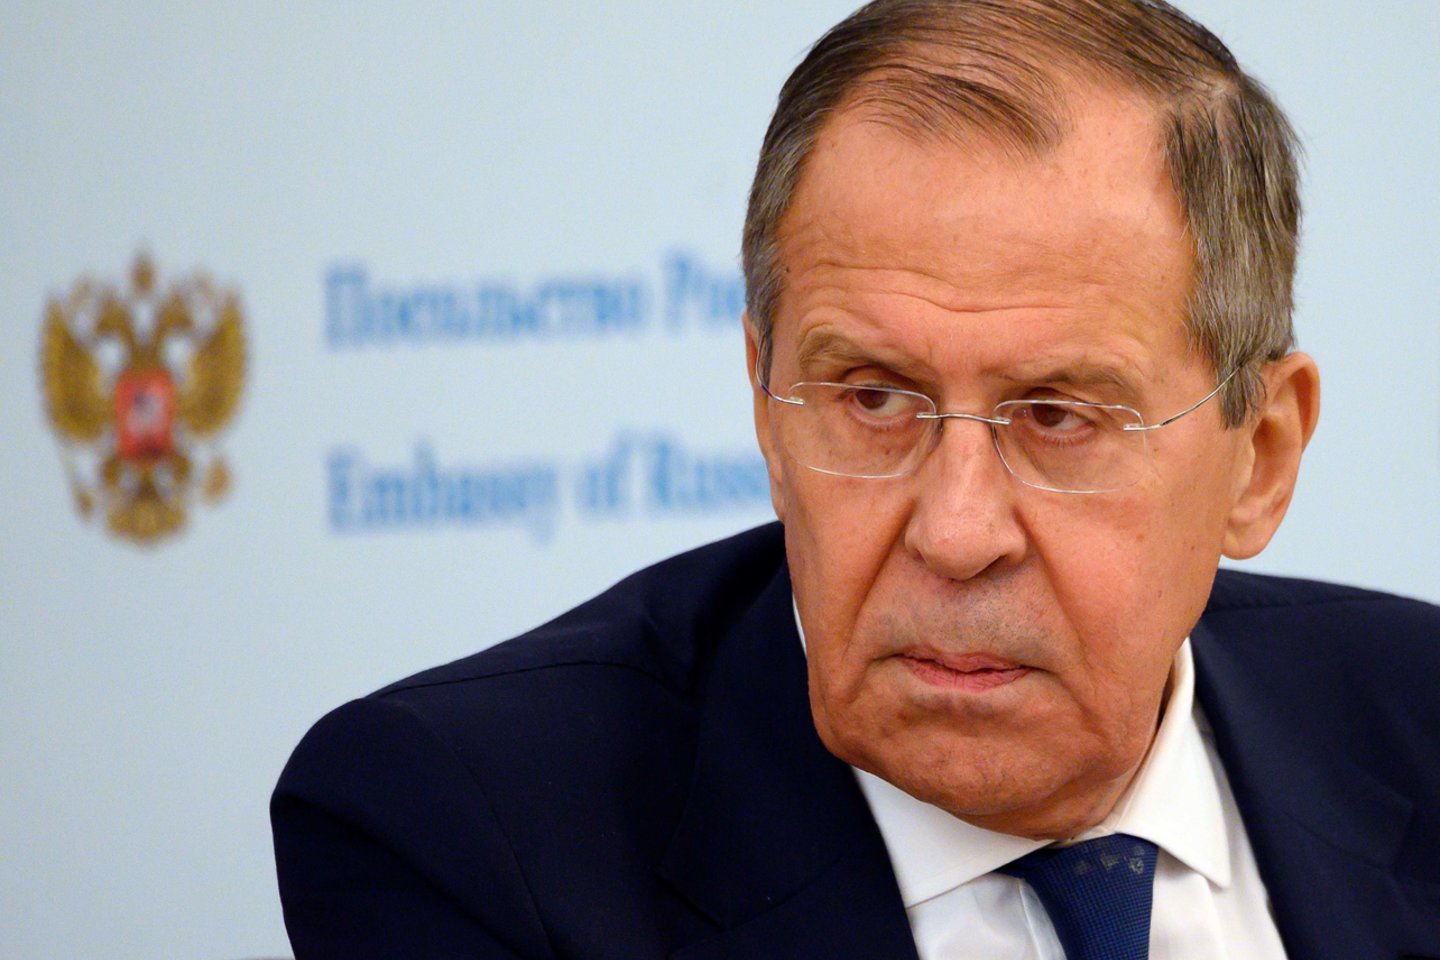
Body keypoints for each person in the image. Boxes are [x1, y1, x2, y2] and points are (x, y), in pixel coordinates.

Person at [271, 1, 1440, 957]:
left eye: (1058, 416)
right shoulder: (472, 836)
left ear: (1260, 457)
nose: (958, 532)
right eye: (874, 400)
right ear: (765, 403)